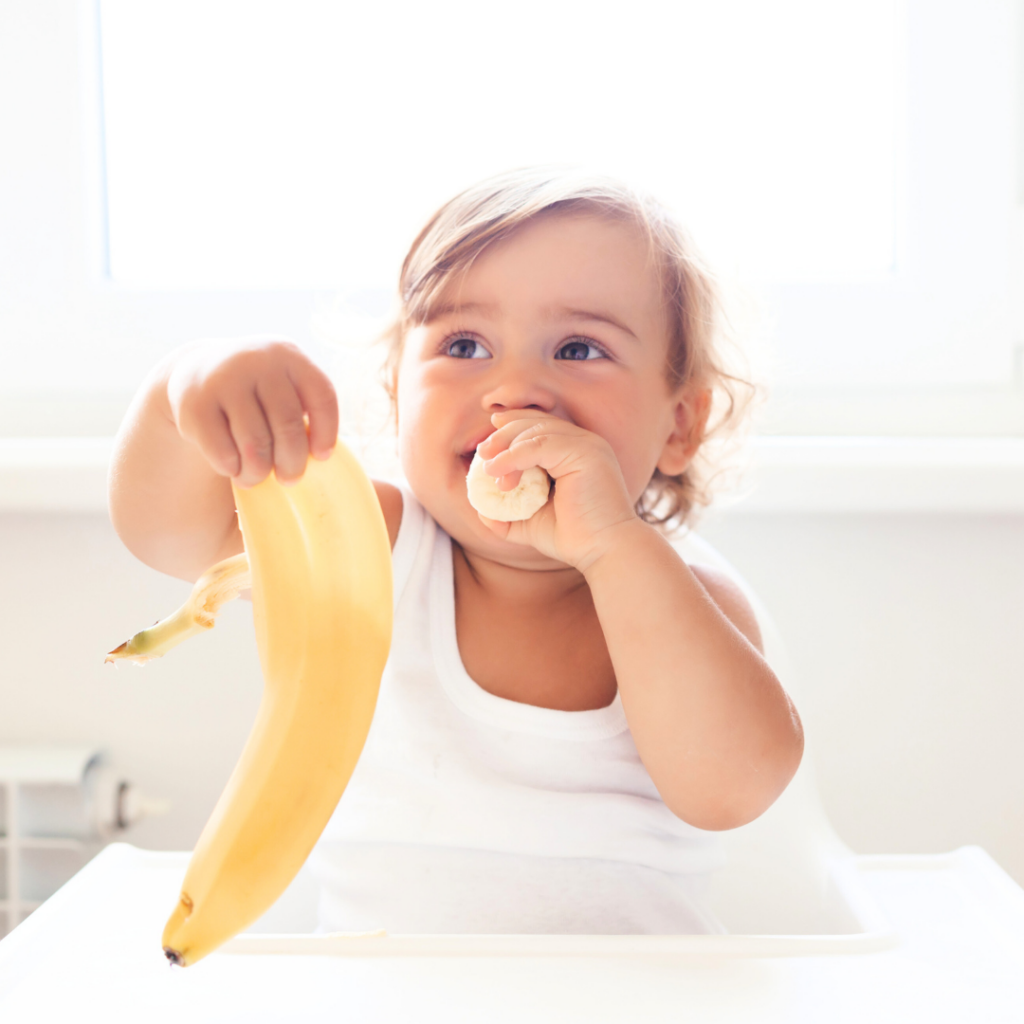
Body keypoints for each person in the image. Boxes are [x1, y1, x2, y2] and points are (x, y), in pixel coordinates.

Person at [108, 167, 804, 935]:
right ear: (398, 391)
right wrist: (186, 386)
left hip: (629, 1001)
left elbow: (733, 790)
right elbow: (167, 533)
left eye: (578, 348)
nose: (514, 389)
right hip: (390, 996)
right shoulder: (368, 549)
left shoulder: (686, 595)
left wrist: (614, 547)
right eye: (465, 344)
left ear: (681, 425)